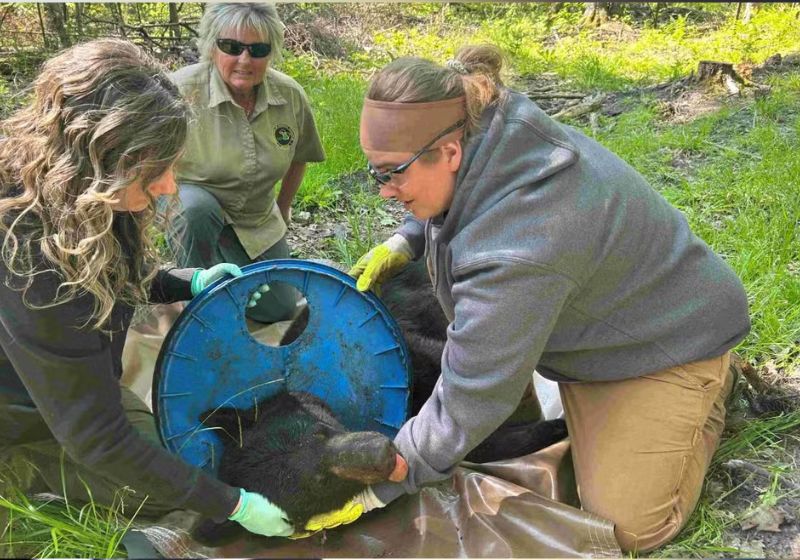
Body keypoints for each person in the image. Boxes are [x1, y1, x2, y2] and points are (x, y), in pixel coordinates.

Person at [341, 45, 751, 553]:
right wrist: (408, 237)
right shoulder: (486, 130)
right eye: (375, 173)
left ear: (448, 152)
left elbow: (474, 393)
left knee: (629, 526)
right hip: (608, 314)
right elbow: (457, 196)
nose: (383, 190)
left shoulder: (520, 245)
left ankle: (711, 385)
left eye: (391, 173)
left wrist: (386, 481)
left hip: (671, 343)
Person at [0, 39, 294, 539]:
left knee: (171, 456)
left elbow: (109, 274)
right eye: (155, 171)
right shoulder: (30, 260)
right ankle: (15, 477)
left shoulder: (77, 193)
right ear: (100, 160)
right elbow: (100, 440)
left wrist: (188, 280)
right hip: (17, 407)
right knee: (153, 490)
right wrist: (233, 505)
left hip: (56, 383)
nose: (169, 187)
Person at [168, 2, 326, 324]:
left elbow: (299, 156)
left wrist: (284, 207)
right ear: (212, 47)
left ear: (272, 52)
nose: (244, 59)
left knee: (279, 313)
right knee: (195, 208)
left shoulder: (290, 96)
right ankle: (191, 302)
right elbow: (142, 160)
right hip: (193, 210)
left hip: (256, 217)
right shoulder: (178, 92)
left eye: (258, 49)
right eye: (232, 47)